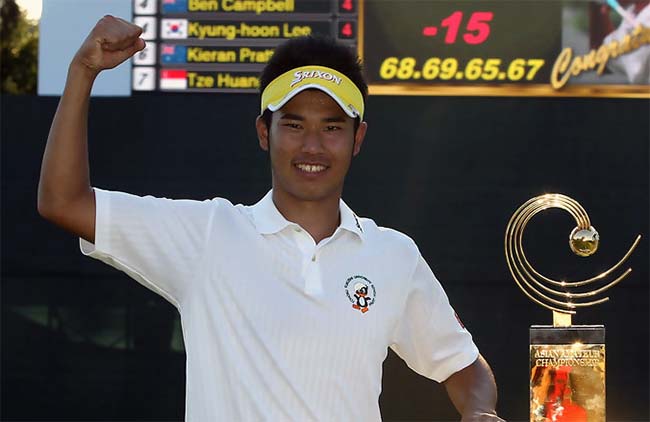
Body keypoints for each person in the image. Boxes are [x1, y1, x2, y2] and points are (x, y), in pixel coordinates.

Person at [37, 15, 505, 422]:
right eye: (295, 124)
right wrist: (83, 71)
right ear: (265, 132)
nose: (313, 146)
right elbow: (63, 201)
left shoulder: (394, 256)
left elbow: (465, 367)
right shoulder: (208, 236)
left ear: (358, 138)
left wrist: (480, 410)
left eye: (333, 127)